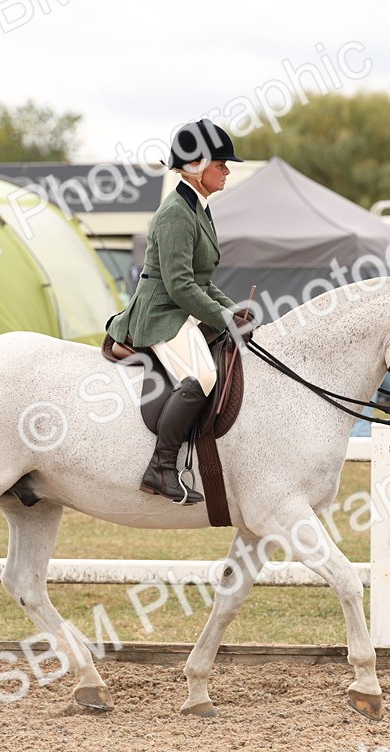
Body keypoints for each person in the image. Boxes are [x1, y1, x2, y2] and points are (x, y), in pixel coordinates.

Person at [106, 120, 255, 505]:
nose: (227, 170)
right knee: (202, 374)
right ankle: (161, 467)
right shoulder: (175, 212)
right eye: (220, 163)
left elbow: (201, 281)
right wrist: (222, 318)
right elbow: (180, 285)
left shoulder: (198, 208)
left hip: (180, 306)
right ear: (195, 166)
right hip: (161, 313)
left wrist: (231, 310)